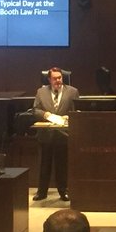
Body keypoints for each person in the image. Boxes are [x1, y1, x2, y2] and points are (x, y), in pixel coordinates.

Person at [33, 66, 79, 201]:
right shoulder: (41, 92)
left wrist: (69, 117)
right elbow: (35, 110)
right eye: (55, 78)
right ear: (49, 79)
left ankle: (63, 191)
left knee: (62, 165)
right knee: (44, 165)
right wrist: (46, 114)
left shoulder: (72, 91)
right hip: (46, 134)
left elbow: (77, 110)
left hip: (63, 135)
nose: (58, 80)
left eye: (60, 78)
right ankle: (42, 192)